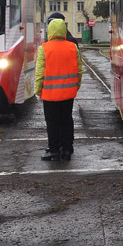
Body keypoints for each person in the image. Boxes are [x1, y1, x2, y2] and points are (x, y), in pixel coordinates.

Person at [35, 16, 82, 160]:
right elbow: (79, 70)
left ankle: (54, 150)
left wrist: (38, 91)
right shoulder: (72, 47)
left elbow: (40, 72)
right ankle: (67, 149)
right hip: (69, 93)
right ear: (64, 30)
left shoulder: (44, 48)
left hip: (50, 94)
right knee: (67, 120)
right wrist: (75, 87)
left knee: (52, 122)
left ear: (50, 31)